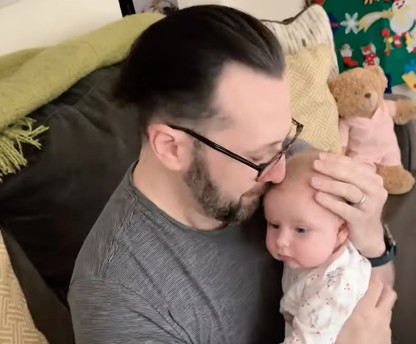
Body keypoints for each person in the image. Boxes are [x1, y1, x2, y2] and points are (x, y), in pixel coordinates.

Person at [68, 5, 396, 344]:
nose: (281, 171)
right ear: (171, 147)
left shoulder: (284, 165)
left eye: (283, 140)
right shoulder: (120, 299)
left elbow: (378, 295)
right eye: (258, 156)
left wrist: (372, 239)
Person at [263, 149, 397, 343]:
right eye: (274, 225)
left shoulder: (333, 288)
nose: (281, 241)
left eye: (300, 230)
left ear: (341, 232)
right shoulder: (314, 249)